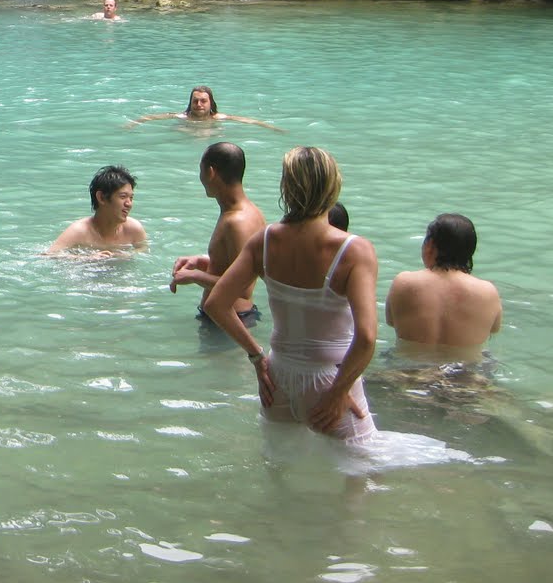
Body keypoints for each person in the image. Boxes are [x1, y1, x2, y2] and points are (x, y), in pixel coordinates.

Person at [203, 146, 378, 443]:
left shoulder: (266, 241)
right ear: (332, 185)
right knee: (362, 476)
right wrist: (337, 392)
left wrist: (258, 358)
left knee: (279, 466)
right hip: (329, 378)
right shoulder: (353, 250)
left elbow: (216, 304)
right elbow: (367, 338)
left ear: (287, 186)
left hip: (278, 377)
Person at [170, 142, 267, 324]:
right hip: (228, 319)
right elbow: (240, 267)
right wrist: (204, 263)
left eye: (201, 170)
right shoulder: (245, 212)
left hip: (232, 322)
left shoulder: (238, 222)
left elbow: (243, 289)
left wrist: (195, 276)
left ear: (210, 172)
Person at [385, 214, 502, 350]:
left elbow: (391, 321)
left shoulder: (404, 282)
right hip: (467, 370)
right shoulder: (487, 291)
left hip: (409, 369)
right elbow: (494, 329)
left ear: (430, 246)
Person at [47, 165, 147, 254]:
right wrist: (88, 259)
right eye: (123, 196)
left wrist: (127, 255)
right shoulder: (79, 231)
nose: (129, 204)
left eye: (131, 198)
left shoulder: (134, 229)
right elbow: (48, 256)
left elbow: (143, 251)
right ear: (101, 198)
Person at [127, 85, 283, 131]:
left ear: (210, 103)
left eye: (203, 101)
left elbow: (248, 121)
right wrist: (133, 123)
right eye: (195, 101)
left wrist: (270, 127)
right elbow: (152, 117)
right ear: (190, 103)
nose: (199, 105)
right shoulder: (182, 116)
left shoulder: (218, 118)